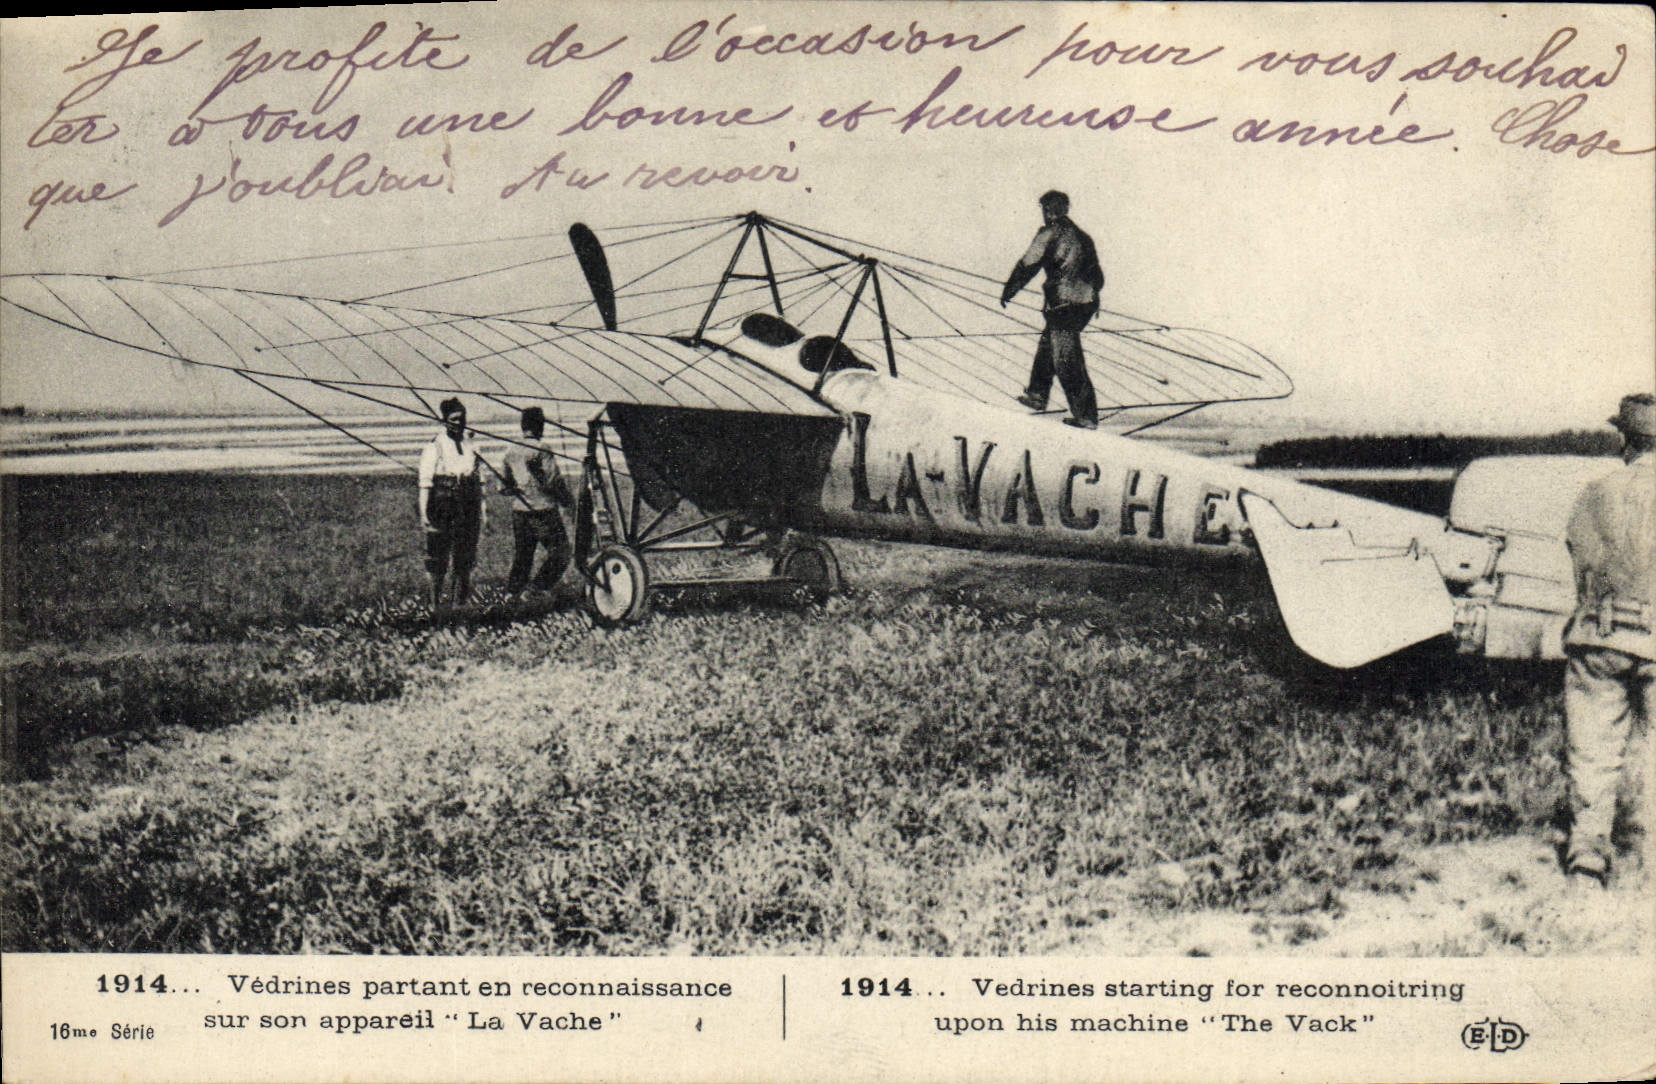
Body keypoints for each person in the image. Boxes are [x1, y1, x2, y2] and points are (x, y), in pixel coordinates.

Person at [1561, 391, 1656, 889]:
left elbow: (1579, 555)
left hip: (1598, 635)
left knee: (1593, 753)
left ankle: (1587, 862)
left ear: (1627, 439)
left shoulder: (1597, 490)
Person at [999, 190, 1103, 430]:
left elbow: (1028, 264)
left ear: (1047, 210)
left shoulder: (1049, 233)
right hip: (1085, 303)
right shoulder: (1083, 236)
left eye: (1045, 209)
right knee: (1049, 344)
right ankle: (1037, 394)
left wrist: (1009, 290)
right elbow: (1098, 275)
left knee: (1065, 357)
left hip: (1064, 304)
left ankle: (1086, 415)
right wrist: (1093, 297)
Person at [500, 406, 574, 599]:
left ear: (523, 426)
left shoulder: (510, 449)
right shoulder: (542, 449)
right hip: (543, 511)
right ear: (539, 425)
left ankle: (512, 594)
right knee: (562, 553)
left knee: (523, 557)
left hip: (520, 511)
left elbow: (503, 487)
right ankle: (536, 589)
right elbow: (553, 481)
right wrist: (568, 501)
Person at [418, 397, 485, 609]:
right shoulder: (434, 447)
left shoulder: (471, 445)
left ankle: (459, 606)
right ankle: (435, 606)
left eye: (462, 418)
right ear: (445, 420)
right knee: (437, 560)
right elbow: (425, 484)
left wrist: (484, 512)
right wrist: (423, 514)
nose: (459, 423)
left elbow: (480, 482)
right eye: (454, 419)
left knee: (464, 559)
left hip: (468, 507)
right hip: (442, 507)